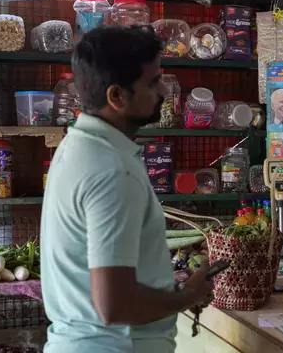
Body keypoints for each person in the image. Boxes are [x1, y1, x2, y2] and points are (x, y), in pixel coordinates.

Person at [40, 26, 214, 353]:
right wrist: (187, 296)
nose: (163, 91)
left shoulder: (76, 146)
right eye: (151, 83)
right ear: (117, 96)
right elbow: (115, 305)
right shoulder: (112, 171)